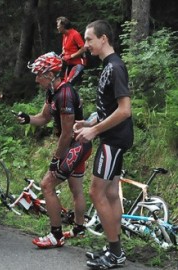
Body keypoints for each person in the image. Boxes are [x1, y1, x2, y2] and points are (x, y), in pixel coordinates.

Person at [15, 52, 92, 249]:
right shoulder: (52, 91)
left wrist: (56, 158)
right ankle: (79, 229)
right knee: (76, 189)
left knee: (47, 184)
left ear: (50, 74)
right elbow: (43, 118)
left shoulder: (64, 94)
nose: (36, 78)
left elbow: (66, 133)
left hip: (76, 144)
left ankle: (56, 235)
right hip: (77, 144)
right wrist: (28, 118)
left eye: (39, 74)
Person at [74, 20, 133, 269]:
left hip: (113, 139)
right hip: (112, 137)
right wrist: (88, 123)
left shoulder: (116, 67)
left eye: (89, 39)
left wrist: (94, 131)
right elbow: (107, 108)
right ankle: (113, 248)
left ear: (104, 39)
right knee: (109, 193)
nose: (86, 45)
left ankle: (115, 253)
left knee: (96, 192)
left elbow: (124, 110)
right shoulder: (108, 66)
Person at [56, 16, 87, 85]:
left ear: (63, 25)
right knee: (63, 83)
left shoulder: (75, 34)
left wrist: (70, 56)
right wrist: (60, 56)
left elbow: (84, 49)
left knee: (68, 85)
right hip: (68, 64)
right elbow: (65, 49)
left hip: (78, 64)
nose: (57, 27)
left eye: (58, 26)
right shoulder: (64, 35)